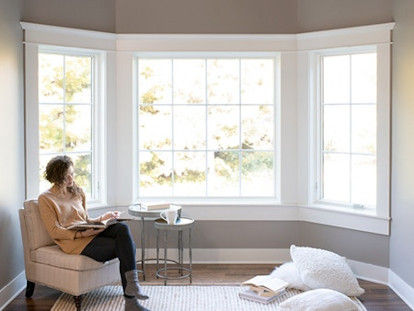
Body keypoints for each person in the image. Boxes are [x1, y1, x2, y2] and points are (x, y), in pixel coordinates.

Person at [38, 155, 149, 311]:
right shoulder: (46, 199)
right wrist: (82, 235)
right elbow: (54, 231)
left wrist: (104, 218)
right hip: (74, 242)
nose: (71, 178)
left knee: (122, 228)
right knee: (127, 246)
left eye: (72, 173)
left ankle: (133, 285)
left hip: (88, 233)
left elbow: (85, 220)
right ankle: (131, 302)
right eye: (66, 175)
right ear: (57, 177)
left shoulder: (77, 192)